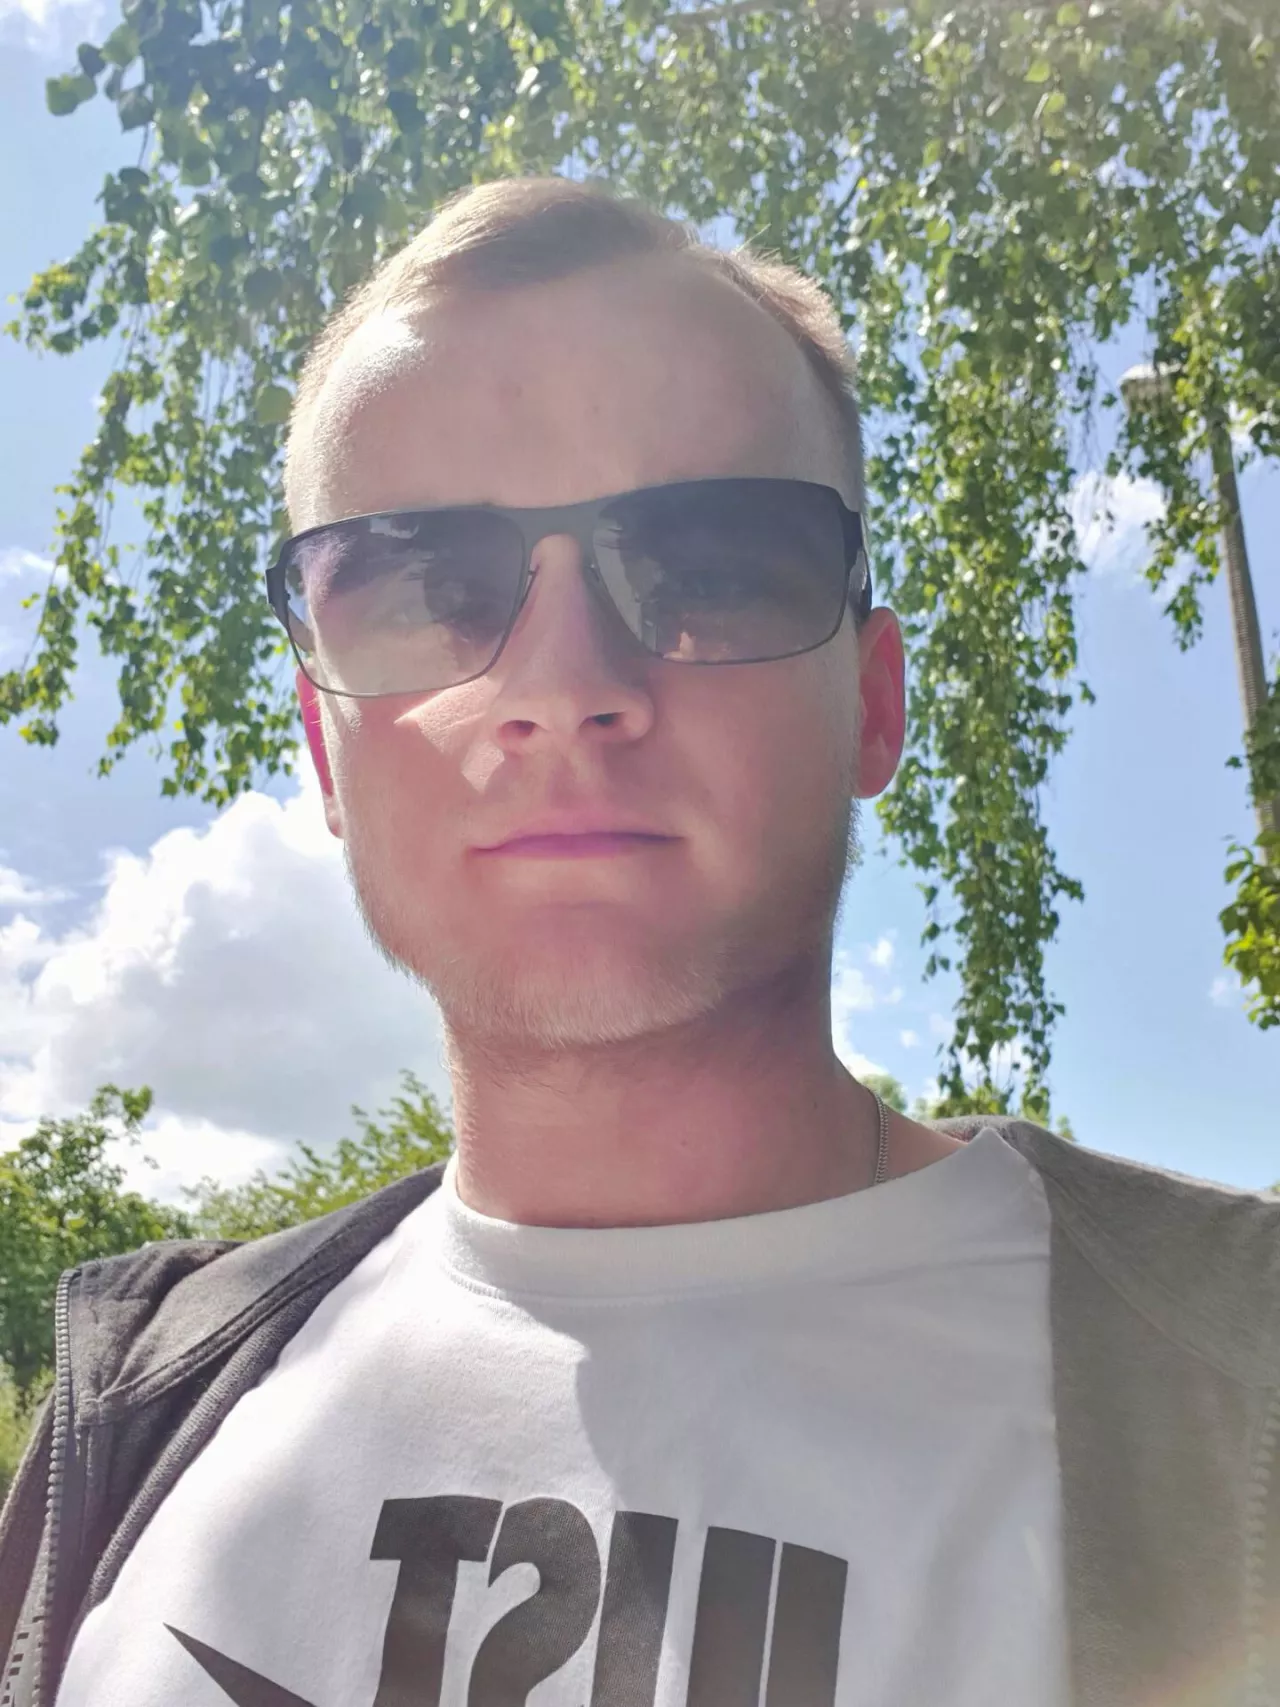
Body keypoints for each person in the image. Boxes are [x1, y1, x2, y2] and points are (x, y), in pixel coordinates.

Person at [1, 177, 1277, 1707]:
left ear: (874, 703)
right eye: (420, 581)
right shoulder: (141, 1408)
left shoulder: (1241, 1369)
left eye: (712, 566)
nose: (561, 684)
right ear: (326, 751)